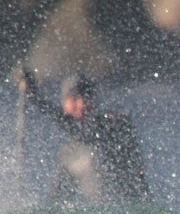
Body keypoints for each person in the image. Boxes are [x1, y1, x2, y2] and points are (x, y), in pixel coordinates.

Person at [18, 67, 151, 205]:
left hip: (130, 208)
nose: (82, 104)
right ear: (65, 102)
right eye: (75, 98)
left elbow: (79, 129)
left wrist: (36, 98)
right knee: (74, 157)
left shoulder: (113, 128)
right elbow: (59, 199)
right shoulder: (71, 152)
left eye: (87, 97)